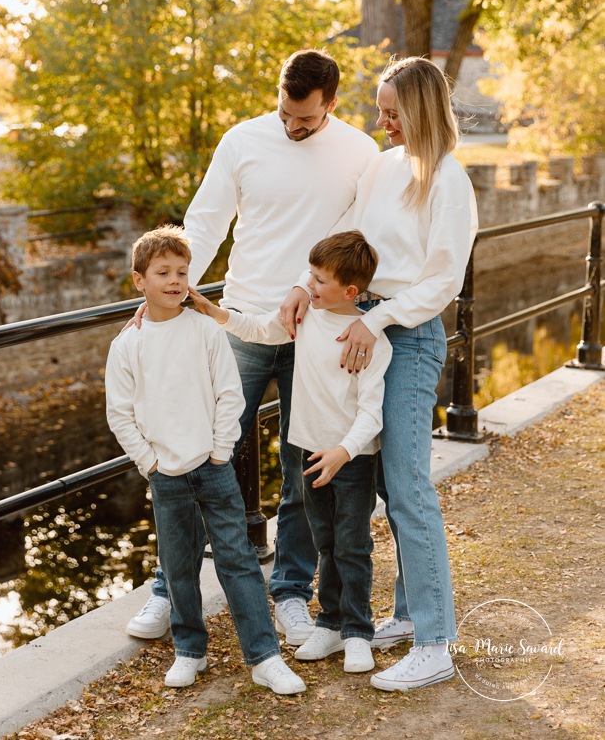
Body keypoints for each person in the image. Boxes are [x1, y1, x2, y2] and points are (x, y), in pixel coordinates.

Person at [126, 49, 379, 647]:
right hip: (240, 324)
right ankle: (169, 588)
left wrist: (304, 287)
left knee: (304, 469)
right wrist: (170, 292)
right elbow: (204, 222)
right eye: (285, 113)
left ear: (331, 103)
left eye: (306, 119)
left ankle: (291, 591)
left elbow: (354, 242)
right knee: (193, 454)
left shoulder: (360, 153)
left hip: (316, 331)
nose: (293, 126)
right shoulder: (242, 141)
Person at [281, 56, 478, 691]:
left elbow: (443, 281)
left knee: (408, 486)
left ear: (420, 108)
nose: (382, 121)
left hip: (408, 335)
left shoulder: (448, 180)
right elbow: (345, 237)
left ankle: (435, 642)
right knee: (385, 484)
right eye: (380, 109)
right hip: (359, 322)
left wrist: (381, 318)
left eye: (392, 112)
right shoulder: (383, 167)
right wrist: (304, 285)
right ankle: (407, 612)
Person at [105, 226, 305, 694]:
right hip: (165, 475)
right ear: (139, 281)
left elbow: (229, 394)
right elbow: (120, 413)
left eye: (182, 272)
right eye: (163, 273)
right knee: (177, 568)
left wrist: (219, 451)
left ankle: (265, 657)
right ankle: (190, 650)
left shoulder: (206, 330)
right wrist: (149, 462)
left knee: (238, 559)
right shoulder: (128, 344)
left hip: (213, 469)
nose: (174, 280)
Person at [189, 229, 391, 674]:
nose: (308, 284)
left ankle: (358, 631)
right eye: (310, 275)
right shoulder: (306, 317)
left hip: (351, 459)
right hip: (307, 452)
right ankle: (330, 623)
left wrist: (344, 451)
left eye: (318, 280)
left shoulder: (370, 340)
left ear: (350, 291)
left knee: (353, 545)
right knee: (326, 541)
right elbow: (259, 329)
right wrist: (216, 312)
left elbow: (371, 413)